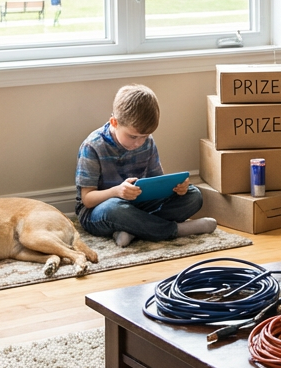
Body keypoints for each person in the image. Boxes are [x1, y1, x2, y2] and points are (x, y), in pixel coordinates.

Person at [75, 83, 216, 247]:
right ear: (114, 122)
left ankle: (133, 229)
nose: (139, 142)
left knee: (193, 195)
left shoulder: (147, 142)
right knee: (115, 208)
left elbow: (157, 182)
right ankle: (175, 230)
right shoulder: (93, 146)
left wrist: (177, 188)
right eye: (133, 137)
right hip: (100, 211)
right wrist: (117, 191)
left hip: (138, 205)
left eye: (145, 136)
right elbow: (87, 199)